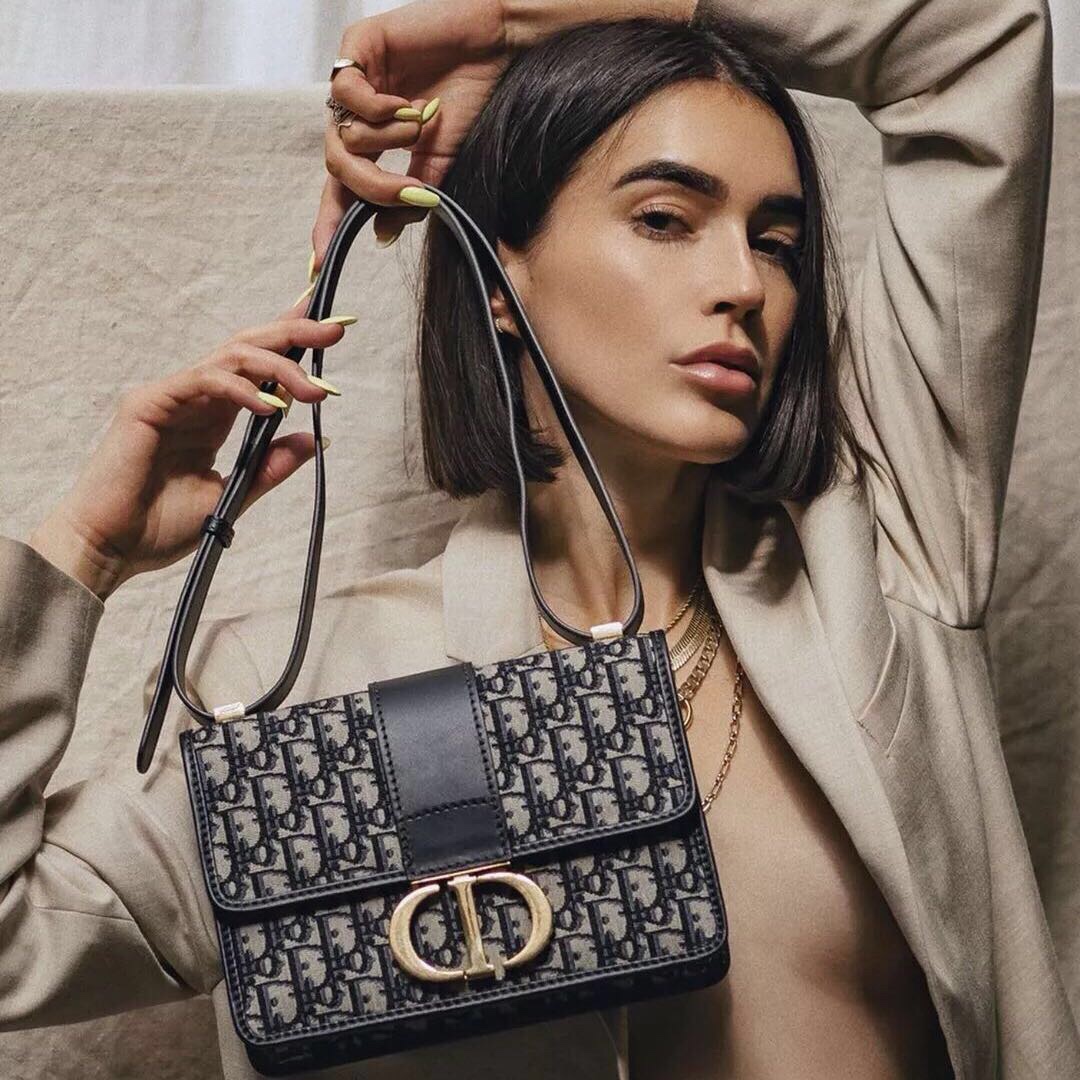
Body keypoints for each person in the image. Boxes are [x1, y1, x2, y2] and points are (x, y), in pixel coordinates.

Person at [0, 2, 1075, 1079]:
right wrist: (85, 547)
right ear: (500, 278)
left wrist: (529, 21)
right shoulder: (303, 687)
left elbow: (972, 39)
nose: (744, 285)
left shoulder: (881, 556)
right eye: (666, 219)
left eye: (777, 243)